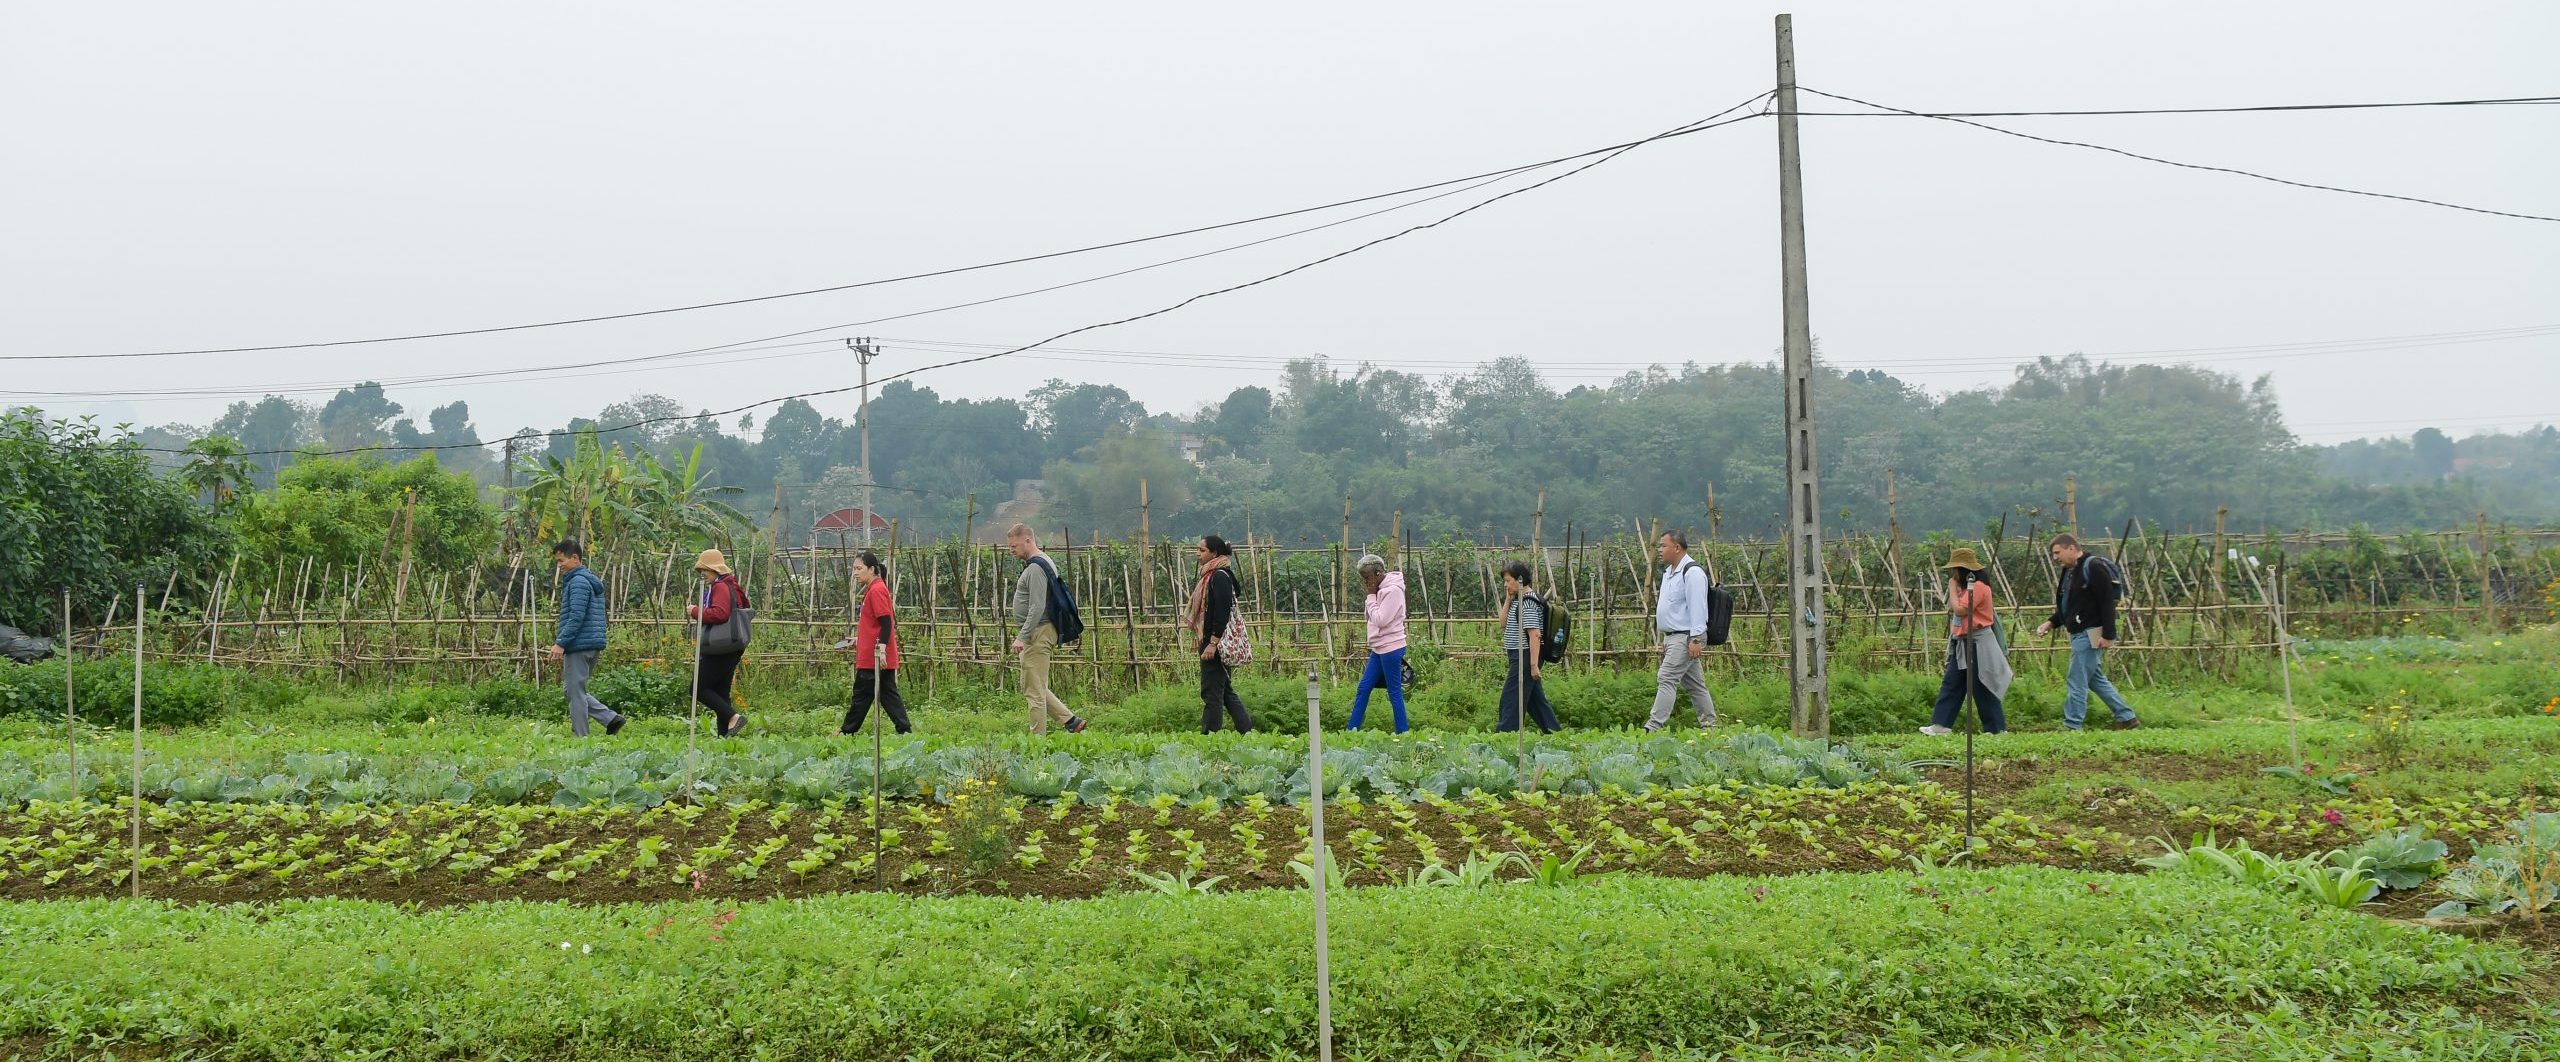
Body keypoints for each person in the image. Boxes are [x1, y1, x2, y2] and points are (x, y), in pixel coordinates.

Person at [2037, 533, 2141, 731]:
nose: (2055, 558)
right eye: (2053, 554)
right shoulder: (2069, 572)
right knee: (2094, 679)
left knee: (2076, 678)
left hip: (2090, 631)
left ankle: (2072, 724)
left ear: (2072, 548)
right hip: (2081, 631)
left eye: (2057, 552)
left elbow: (2106, 602)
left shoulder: (2093, 567)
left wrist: (2109, 635)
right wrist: (2050, 623)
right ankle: (2126, 717)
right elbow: (2071, 605)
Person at [1007, 524, 1087, 735]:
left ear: (1027, 540)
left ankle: (1037, 742)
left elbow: (1037, 605)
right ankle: (1070, 721)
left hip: (1038, 633)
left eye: (1014, 546)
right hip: (1038, 631)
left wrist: (1022, 637)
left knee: (1034, 692)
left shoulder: (1035, 568)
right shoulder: (1041, 562)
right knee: (1031, 684)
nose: (1011, 550)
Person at [1921, 548, 2010, 736]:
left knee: (1982, 685)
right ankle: (1941, 725)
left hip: (1978, 643)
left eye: (1955, 570)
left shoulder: (1978, 588)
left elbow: (1961, 610)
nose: (1953, 574)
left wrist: (1952, 587)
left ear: (1964, 570)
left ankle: (1996, 729)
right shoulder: (1966, 589)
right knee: (1952, 683)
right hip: (1963, 643)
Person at [545, 539, 625, 737]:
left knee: (575, 692)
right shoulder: (587, 579)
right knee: (572, 690)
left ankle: (580, 738)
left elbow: (576, 617)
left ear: (575, 558)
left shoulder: (578, 582)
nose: (559, 565)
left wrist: (560, 643)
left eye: (561, 560)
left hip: (579, 645)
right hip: (591, 643)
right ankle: (610, 719)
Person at [1644, 530, 1718, 733]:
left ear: (1677, 548)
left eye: (1663, 546)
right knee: (1695, 685)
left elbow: (1698, 608)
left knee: (1666, 678)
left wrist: (1695, 638)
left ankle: (1653, 727)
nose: (1660, 550)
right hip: (1674, 637)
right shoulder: (1669, 573)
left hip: (1686, 637)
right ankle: (1710, 727)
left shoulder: (1692, 572)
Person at [840, 550, 913, 736]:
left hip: (874, 657)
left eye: (859, 568)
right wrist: (860, 639)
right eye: (854, 569)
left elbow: (887, 622)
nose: (855, 573)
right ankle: (904, 731)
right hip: (872, 654)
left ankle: (846, 733)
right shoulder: (873, 589)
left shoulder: (877, 590)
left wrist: (880, 648)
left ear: (871, 569)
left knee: (861, 697)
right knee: (888, 696)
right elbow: (874, 625)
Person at [1192, 535, 1255, 734]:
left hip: (1216, 643)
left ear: (1214, 553)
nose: (1198, 554)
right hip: (1216, 641)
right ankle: (1247, 731)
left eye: (1202, 550)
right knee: (1225, 691)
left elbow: (1221, 611)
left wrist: (1212, 643)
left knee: (1211, 692)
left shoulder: (1218, 576)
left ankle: (1210, 736)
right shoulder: (1218, 574)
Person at [684, 548, 749, 738]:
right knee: (720, 693)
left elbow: (720, 613)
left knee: (698, 688)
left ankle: (734, 717)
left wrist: (695, 611)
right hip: (731, 646)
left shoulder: (721, 587)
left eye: (704, 570)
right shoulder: (730, 584)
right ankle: (724, 738)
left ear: (714, 570)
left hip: (721, 646)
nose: (702, 574)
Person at [1497, 560, 1562, 734]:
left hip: (1525, 657)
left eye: (1508, 581)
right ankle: (1555, 733)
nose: (1505, 585)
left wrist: (1533, 665)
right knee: (1536, 702)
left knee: (1511, 700)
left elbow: (1534, 634)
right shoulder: (1517, 600)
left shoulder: (1528, 602)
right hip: (1520, 657)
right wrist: (1508, 599)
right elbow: (1502, 623)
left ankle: (1504, 737)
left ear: (1520, 580)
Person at [1349, 553, 1409, 734]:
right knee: (1363, 688)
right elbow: (1369, 616)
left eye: (1366, 577)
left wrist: (1370, 597)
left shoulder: (1393, 591)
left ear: (1377, 573)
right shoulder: (1380, 591)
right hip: (1378, 647)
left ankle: (1402, 732)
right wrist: (1372, 597)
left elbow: (1380, 620)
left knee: (1394, 692)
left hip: (1391, 647)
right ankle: (1351, 730)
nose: (1365, 582)